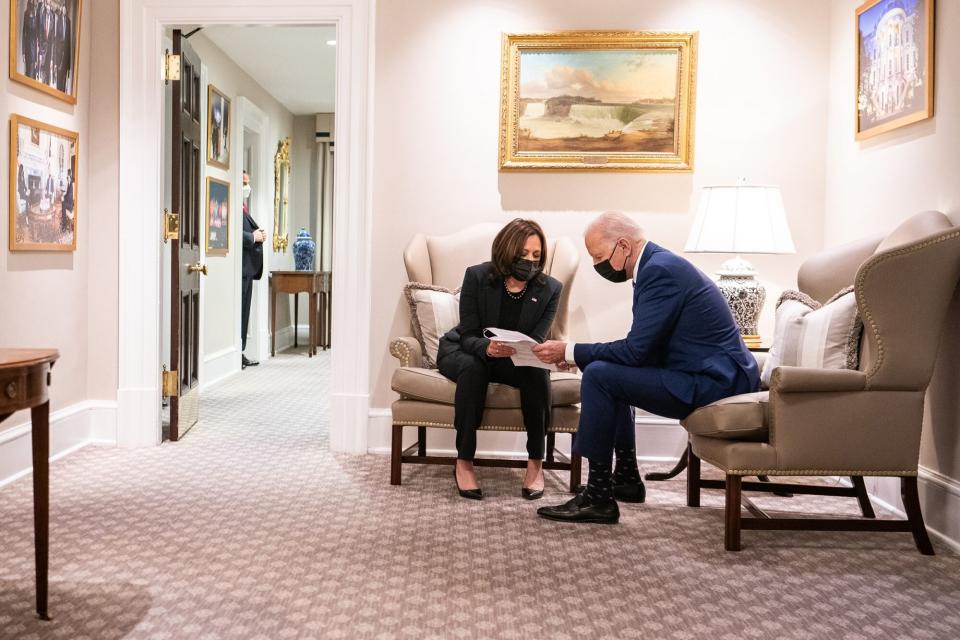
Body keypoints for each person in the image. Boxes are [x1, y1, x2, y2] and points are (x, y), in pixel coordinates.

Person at [532, 211, 760, 524]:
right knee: (608, 370)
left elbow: (636, 351)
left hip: (715, 383)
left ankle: (598, 496)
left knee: (599, 374)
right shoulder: (657, 265)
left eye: (599, 256)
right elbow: (643, 350)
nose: (598, 265)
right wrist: (577, 354)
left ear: (623, 245)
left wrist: (570, 351)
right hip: (708, 375)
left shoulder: (660, 271)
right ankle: (625, 477)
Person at [436, 218, 562, 500]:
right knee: (473, 367)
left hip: (513, 357)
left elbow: (537, 339)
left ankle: (535, 465)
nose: (530, 261)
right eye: (524, 254)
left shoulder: (550, 289)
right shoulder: (478, 276)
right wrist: (487, 348)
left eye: (536, 255)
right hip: (467, 349)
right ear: (507, 250)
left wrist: (545, 355)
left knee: (537, 373)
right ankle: (464, 462)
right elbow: (468, 334)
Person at [241, 172, 265, 369]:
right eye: (243, 183)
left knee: (245, 313)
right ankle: (237, 353)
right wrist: (252, 237)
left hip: (248, 269)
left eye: (248, 183)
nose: (247, 187)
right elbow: (230, 231)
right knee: (240, 312)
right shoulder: (233, 208)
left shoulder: (244, 208)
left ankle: (240, 351)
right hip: (240, 269)